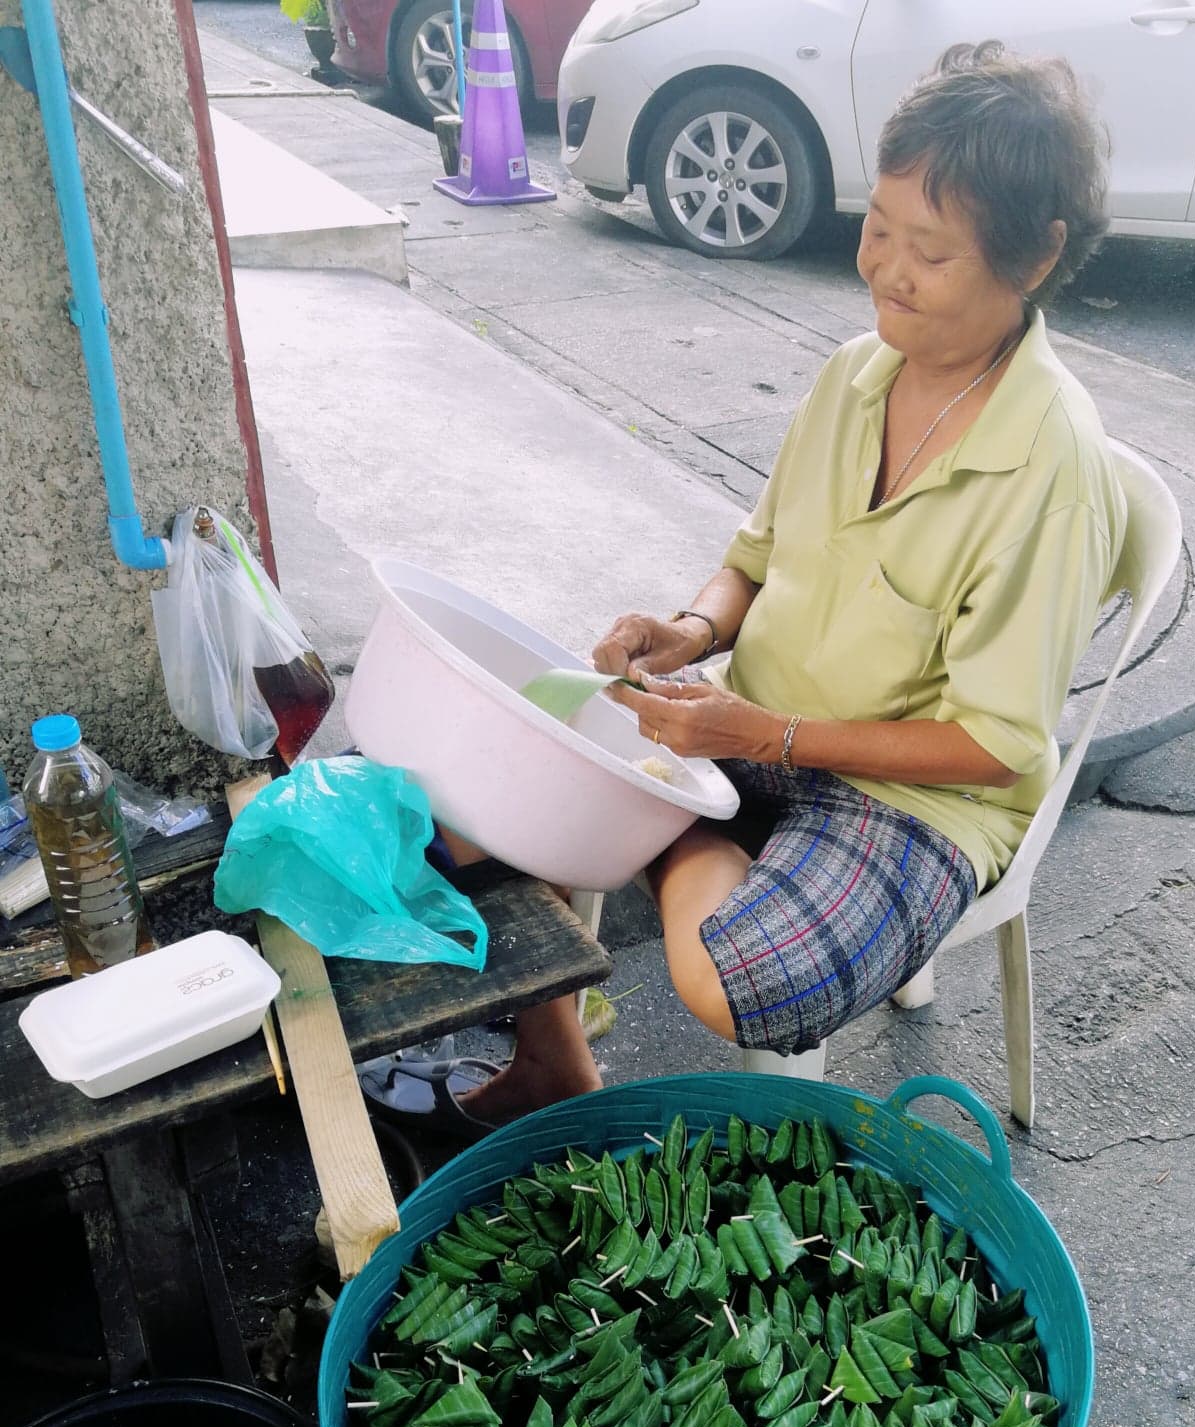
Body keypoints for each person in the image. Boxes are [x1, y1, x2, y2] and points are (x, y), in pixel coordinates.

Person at [401, 40, 1127, 1131]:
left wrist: (745, 746)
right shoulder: (855, 373)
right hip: (750, 735)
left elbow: (993, 745)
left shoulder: (1052, 470)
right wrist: (686, 632)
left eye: (927, 250)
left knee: (743, 986)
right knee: (475, 801)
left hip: (916, 799)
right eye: (878, 228)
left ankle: (672, 836)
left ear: (1031, 259)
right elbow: (756, 555)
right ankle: (553, 1058)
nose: (883, 267)